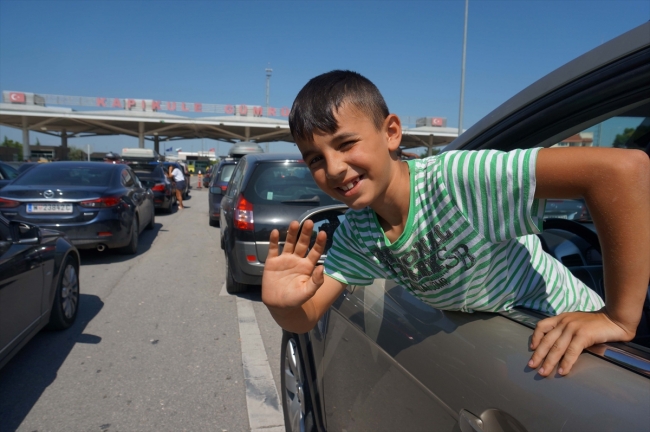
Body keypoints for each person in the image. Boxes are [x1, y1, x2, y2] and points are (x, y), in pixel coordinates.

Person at [261, 70, 650, 378]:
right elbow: (306, 317)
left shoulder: (455, 180)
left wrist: (617, 317)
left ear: (391, 132)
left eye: (346, 144)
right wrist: (281, 305)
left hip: (585, 344)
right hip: (521, 356)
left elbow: (621, 171)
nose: (333, 168)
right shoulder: (358, 232)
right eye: (315, 159)